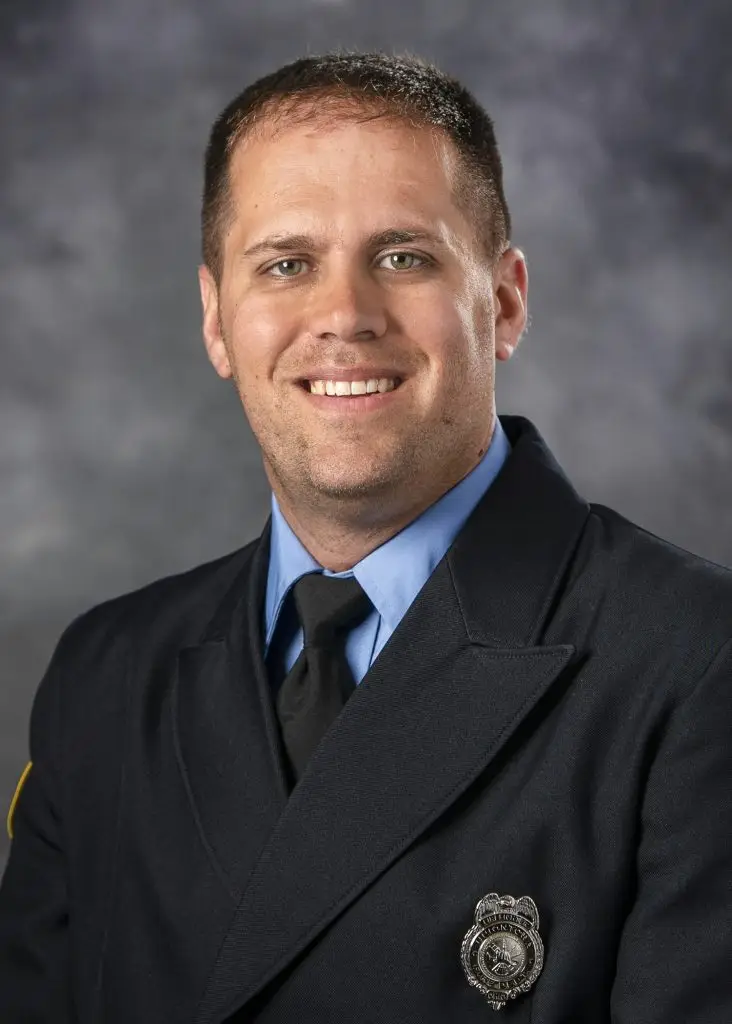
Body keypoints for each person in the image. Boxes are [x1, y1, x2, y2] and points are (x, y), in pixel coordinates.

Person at [0, 50, 730, 1024]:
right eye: (287, 264)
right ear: (218, 319)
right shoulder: (104, 675)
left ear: (504, 301)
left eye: (403, 256)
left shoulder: (695, 662)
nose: (343, 315)